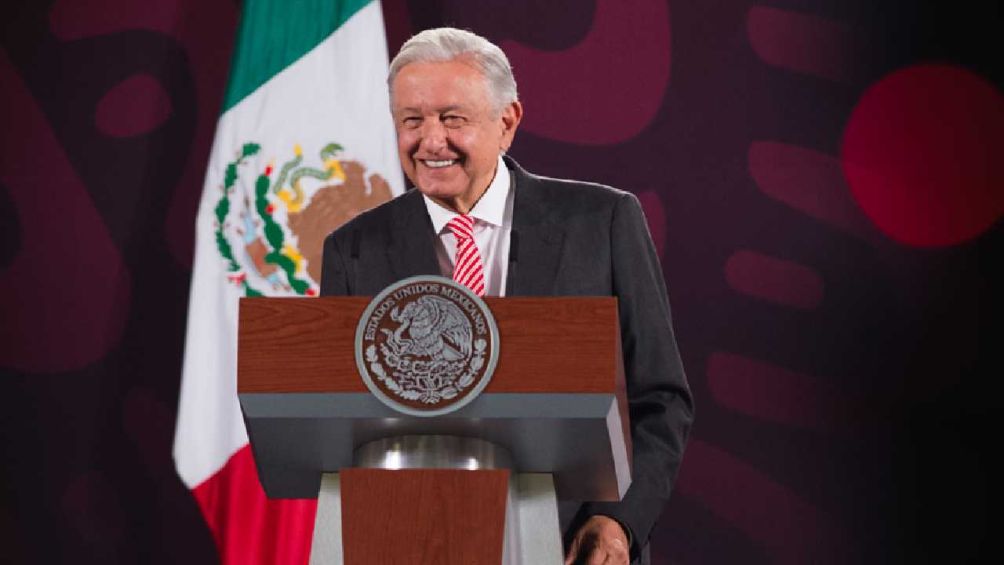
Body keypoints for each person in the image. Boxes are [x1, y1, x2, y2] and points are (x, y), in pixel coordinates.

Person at [321, 27, 693, 565]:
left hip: (569, 544)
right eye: (411, 120)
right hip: (410, 542)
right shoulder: (352, 250)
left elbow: (660, 400)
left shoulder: (603, 223)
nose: (431, 141)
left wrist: (617, 521)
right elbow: (336, 417)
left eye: (453, 119)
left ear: (507, 122)